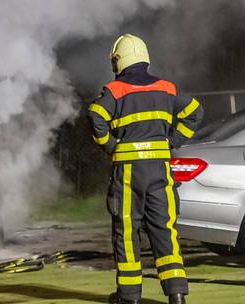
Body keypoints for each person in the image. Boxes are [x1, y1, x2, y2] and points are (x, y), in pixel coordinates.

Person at [87, 34, 203, 304]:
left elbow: (95, 115)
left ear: (118, 61)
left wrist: (110, 146)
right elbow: (195, 112)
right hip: (160, 174)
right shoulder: (167, 88)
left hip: (128, 175)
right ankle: (176, 294)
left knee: (127, 233)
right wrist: (173, 141)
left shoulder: (115, 91)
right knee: (165, 231)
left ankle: (129, 297)